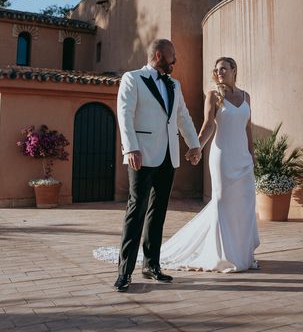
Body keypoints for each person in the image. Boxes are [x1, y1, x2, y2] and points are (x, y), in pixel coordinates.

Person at [95, 56, 260, 273]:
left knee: (245, 205)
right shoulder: (213, 95)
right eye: (217, 70)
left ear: (234, 70)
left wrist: (252, 155)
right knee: (223, 204)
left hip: (243, 160)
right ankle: (225, 256)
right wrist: (196, 148)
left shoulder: (246, 96)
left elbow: (247, 129)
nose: (219, 73)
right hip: (223, 158)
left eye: (224, 69)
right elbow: (207, 126)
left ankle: (244, 255)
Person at [113, 39, 201, 293]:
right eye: (172, 56)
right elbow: (125, 114)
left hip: (168, 156)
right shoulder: (133, 79)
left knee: (158, 212)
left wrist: (193, 144)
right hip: (141, 154)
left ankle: (151, 266)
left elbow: (182, 115)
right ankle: (124, 272)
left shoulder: (175, 84)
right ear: (159, 54)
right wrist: (130, 148)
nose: (175, 61)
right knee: (135, 210)